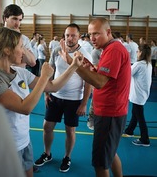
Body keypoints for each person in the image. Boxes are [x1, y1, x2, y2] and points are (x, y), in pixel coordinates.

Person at [0, 27, 83, 177]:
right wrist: (45, 76)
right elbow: (25, 107)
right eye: (21, 47)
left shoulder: (20, 72)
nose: (24, 52)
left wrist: (73, 67)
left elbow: (53, 86)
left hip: (23, 141)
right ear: (7, 50)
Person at [59, 17, 131, 177]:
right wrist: (87, 67)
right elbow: (103, 76)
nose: (92, 38)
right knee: (110, 155)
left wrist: (73, 64)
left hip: (110, 113)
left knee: (100, 163)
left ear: (108, 32)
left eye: (96, 34)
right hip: (110, 112)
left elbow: (99, 83)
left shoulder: (114, 50)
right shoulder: (109, 49)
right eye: (90, 34)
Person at [34, 23, 92, 173]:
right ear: (64, 36)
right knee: (47, 127)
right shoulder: (57, 50)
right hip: (55, 96)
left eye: (73, 35)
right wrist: (46, 93)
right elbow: (50, 72)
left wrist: (84, 103)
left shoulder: (85, 54)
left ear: (79, 37)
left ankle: (67, 157)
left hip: (73, 99)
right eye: (67, 35)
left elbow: (89, 81)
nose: (70, 38)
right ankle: (47, 153)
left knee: (70, 130)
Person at [124, 44, 152, 147]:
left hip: (138, 94)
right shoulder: (147, 63)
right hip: (143, 93)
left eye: (138, 51)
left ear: (141, 53)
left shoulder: (139, 64)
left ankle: (145, 139)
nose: (136, 53)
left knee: (140, 116)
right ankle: (129, 130)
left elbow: (127, 73)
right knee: (135, 113)